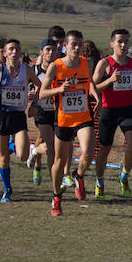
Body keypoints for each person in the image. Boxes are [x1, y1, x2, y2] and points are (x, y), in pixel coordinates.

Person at [40, 30, 96, 216]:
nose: (77, 48)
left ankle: (78, 176)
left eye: (80, 44)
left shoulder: (86, 63)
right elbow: (42, 93)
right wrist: (59, 89)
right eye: (74, 44)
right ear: (65, 46)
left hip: (83, 116)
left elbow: (90, 83)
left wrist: (98, 98)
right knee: (59, 161)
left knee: (88, 152)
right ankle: (56, 197)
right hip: (63, 119)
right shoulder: (56, 66)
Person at [0, 39, 39, 202]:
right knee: (3, 157)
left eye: (17, 49)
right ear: (5, 53)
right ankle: (7, 189)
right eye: (11, 49)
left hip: (18, 116)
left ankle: (11, 148)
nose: (15, 52)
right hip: (2, 116)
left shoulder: (27, 70)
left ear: (20, 53)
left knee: (23, 154)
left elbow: (41, 85)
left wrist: (35, 98)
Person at [91, 29, 132, 200]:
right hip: (109, 110)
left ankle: (124, 177)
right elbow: (93, 87)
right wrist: (110, 80)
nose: (123, 45)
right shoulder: (104, 63)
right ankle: (99, 182)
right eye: (119, 41)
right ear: (112, 43)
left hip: (127, 108)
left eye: (125, 41)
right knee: (104, 149)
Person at [28, 40, 59, 186]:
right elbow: (24, 87)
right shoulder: (33, 71)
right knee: (51, 146)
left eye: (53, 50)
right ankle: (55, 182)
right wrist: (29, 94)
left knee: (43, 142)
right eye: (47, 50)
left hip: (58, 112)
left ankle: (36, 158)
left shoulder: (61, 69)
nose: (51, 53)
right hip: (41, 111)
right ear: (41, 52)